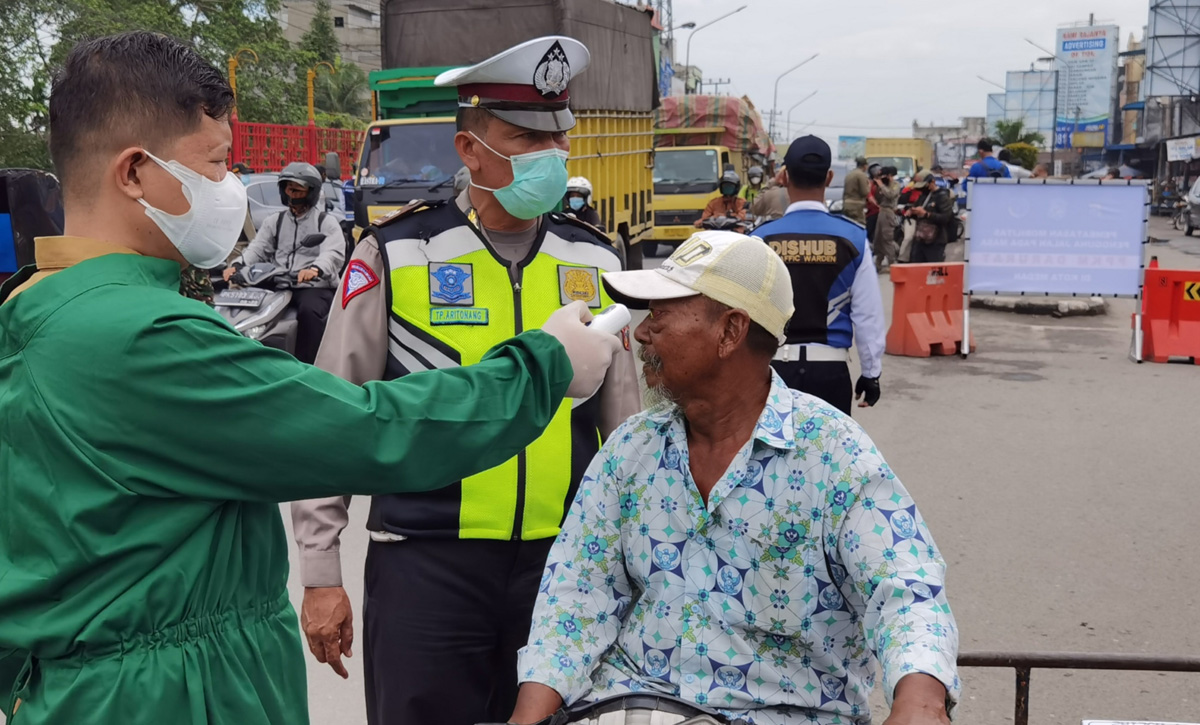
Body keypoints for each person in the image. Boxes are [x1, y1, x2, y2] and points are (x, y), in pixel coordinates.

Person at [0, 30, 624, 725]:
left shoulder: (32, 310)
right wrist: (544, 364)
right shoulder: (143, 337)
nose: (232, 188)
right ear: (135, 173)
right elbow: (364, 429)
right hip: (175, 693)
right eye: (216, 164)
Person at [290, 36, 641, 725]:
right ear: (469, 149)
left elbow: (628, 431)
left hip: (562, 570)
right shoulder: (396, 253)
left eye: (558, 139)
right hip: (425, 568)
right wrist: (321, 572)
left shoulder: (594, 258)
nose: (551, 156)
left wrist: (640, 559)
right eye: (526, 139)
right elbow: (331, 418)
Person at [510, 230, 961, 725]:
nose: (641, 334)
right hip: (631, 706)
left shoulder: (832, 454)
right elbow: (575, 598)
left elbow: (905, 589)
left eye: (659, 315)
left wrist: (920, 701)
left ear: (730, 331)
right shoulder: (631, 450)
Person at [753, 136, 884, 416]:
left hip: (770, 374)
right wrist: (871, 373)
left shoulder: (760, 239)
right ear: (829, 177)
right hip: (830, 374)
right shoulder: (853, 238)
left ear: (785, 177)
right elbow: (868, 316)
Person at [222, 161, 344, 363]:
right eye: (289, 189)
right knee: (245, 304)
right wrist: (237, 265)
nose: (292, 194)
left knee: (310, 312)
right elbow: (257, 248)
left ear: (311, 192)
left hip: (312, 286)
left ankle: (311, 363)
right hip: (279, 280)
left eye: (297, 190)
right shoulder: (275, 221)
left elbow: (333, 252)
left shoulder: (325, 222)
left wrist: (316, 269)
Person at [903, 169, 957, 264]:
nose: (922, 189)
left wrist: (927, 214)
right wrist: (912, 211)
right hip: (920, 238)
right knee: (916, 267)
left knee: (933, 269)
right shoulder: (923, 196)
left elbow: (946, 218)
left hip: (936, 240)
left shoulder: (942, 196)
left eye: (924, 186)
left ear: (932, 182)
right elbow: (916, 209)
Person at [873, 164, 901, 272]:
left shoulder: (895, 185)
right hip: (881, 212)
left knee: (887, 238)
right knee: (879, 238)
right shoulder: (882, 185)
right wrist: (878, 186)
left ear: (889, 175)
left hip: (889, 212)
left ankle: (892, 262)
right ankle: (878, 263)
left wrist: (882, 185)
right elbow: (877, 198)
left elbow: (891, 195)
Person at [841, 155, 871, 224]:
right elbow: (864, 192)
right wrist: (868, 186)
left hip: (846, 204)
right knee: (860, 225)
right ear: (864, 166)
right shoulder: (861, 175)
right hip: (856, 206)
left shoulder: (850, 174)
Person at [865, 163, 882, 243]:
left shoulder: (880, 183)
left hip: (879, 212)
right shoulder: (870, 183)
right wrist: (878, 205)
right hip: (872, 212)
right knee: (869, 231)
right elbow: (869, 196)